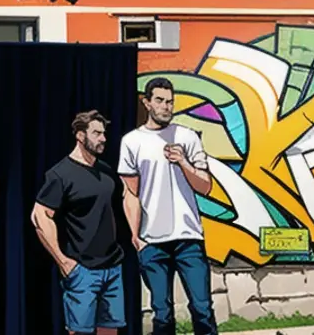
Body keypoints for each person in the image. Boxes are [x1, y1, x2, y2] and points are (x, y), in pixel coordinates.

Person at [120, 77, 217, 335]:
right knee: (161, 313)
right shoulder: (131, 141)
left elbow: (205, 186)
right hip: (152, 241)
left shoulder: (187, 137)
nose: (166, 107)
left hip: (188, 237)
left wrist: (184, 162)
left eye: (170, 102)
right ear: (147, 103)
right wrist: (135, 237)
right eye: (160, 101)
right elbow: (130, 193)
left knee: (202, 308)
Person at [32, 110, 126, 335]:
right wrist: (63, 261)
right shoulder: (60, 174)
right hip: (82, 269)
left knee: (110, 330)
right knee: (79, 332)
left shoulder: (105, 171)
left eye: (103, 133)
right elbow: (40, 215)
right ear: (80, 135)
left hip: (112, 266)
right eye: (96, 133)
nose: (103, 138)